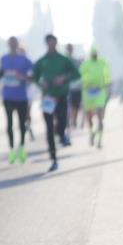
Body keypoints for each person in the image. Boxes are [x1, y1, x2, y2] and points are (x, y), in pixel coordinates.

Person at [31, 33, 80, 172]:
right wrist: (42, 84)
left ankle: (62, 134)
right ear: (46, 44)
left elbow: (77, 74)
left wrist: (64, 78)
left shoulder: (64, 60)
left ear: (56, 43)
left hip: (62, 96)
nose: (51, 45)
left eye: (53, 43)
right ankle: (53, 158)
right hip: (48, 98)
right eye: (49, 43)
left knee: (61, 125)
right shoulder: (41, 61)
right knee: (48, 128)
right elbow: (34, 78)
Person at [0, 36, 33, 164]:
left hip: (21, 97)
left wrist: (22, 77)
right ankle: (12, 149)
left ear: (17, 44)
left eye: (14, 43)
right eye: (10, 43)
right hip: (8, 96)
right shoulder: (3, 59)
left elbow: (32, 78)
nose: (12, 45)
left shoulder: (25, 60)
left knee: (22, 124)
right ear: (8, 44)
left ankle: (22, 147)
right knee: (9, 124)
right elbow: (0, 73)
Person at [79, 47, 111, 148]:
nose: (94, 55)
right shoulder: (85, 64)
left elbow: (107, 77)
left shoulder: (103, 63)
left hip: (100, 91)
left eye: (96, 54)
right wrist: (86, 84)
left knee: (100, 118)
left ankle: (100, 140)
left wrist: (107, 89)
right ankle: (92, 133)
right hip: (88, 93)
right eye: (93, 54)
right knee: (89, 117)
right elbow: (80, 76)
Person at [65, 43, 83, 134]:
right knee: (68, 106)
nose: (69, 50)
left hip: (76, 87)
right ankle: (68, 122)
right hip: (66, 88)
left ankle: (74, 119)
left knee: (75, 106)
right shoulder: (63, 60)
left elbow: (80, 73)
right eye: (68, 48)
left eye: (70, 48)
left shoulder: (77, 61)